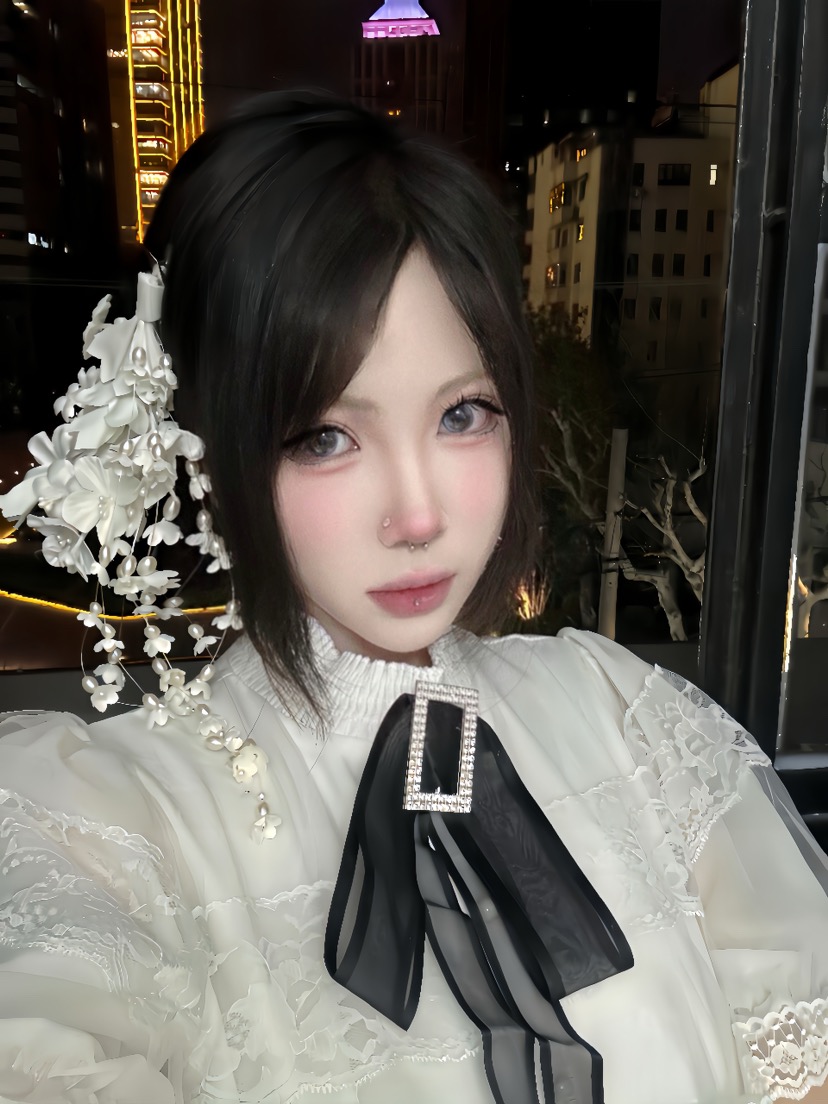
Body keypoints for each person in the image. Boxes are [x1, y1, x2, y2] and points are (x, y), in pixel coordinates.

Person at [0, 91, 827, 1104]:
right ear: (204, 446)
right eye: (326, 437)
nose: (419, 514)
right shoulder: (109, 826)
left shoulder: (627, 721)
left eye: (463, 414)